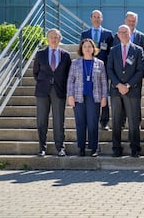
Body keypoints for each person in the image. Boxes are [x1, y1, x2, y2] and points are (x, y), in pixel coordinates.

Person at [107, 25, 144, 157]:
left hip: (132, 91)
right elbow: (109, 69)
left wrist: (127, 85)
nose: (123, 34)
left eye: (126, 32)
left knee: (133, 121)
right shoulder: (113, 50)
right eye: (121, 32)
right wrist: (118, 84)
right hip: (116, 91)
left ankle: (135, 148)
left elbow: (140, 70)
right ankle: (116, 148)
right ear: (117, 35)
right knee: (116, 121)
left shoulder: (138, 50)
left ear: (130, 34)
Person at [33, 28, 71, 157]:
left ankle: (60, 147)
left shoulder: (65, 55)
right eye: (52, 37)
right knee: (42, 120)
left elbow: (68, 74)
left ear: (60, 39)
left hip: (59, 91)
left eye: (56, 37)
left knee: (59, 121)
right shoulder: (40, 54)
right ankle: (42, 147)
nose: (54, 39)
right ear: (48, 39)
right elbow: (36, 72)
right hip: (43, 91)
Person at [67, 38, 108, 157]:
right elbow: (70, 80)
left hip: (94, 97)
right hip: (78, 97)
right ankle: (81, 148)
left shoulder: (100, 63)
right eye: (85, 46)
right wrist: (70, 95)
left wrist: (104, 97)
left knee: (93, 122)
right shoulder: (75, 62)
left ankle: (94, 148)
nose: (87, 49)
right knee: (80, 123)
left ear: (93, 48)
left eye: (89, 46)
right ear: (81, 48)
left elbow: (104, 81)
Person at [81, 10, 114, 130]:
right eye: (94, 17)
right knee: (88, 95)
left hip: (103, 69)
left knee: (104, 94)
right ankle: (89, 120)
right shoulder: (85, 34)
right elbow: (81, 51)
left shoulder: (108, 34)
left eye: (98, 17)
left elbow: (111, 53)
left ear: (102, 19)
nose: (96, 19)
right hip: (88, 69)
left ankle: (104, 122)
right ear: (91, 18)